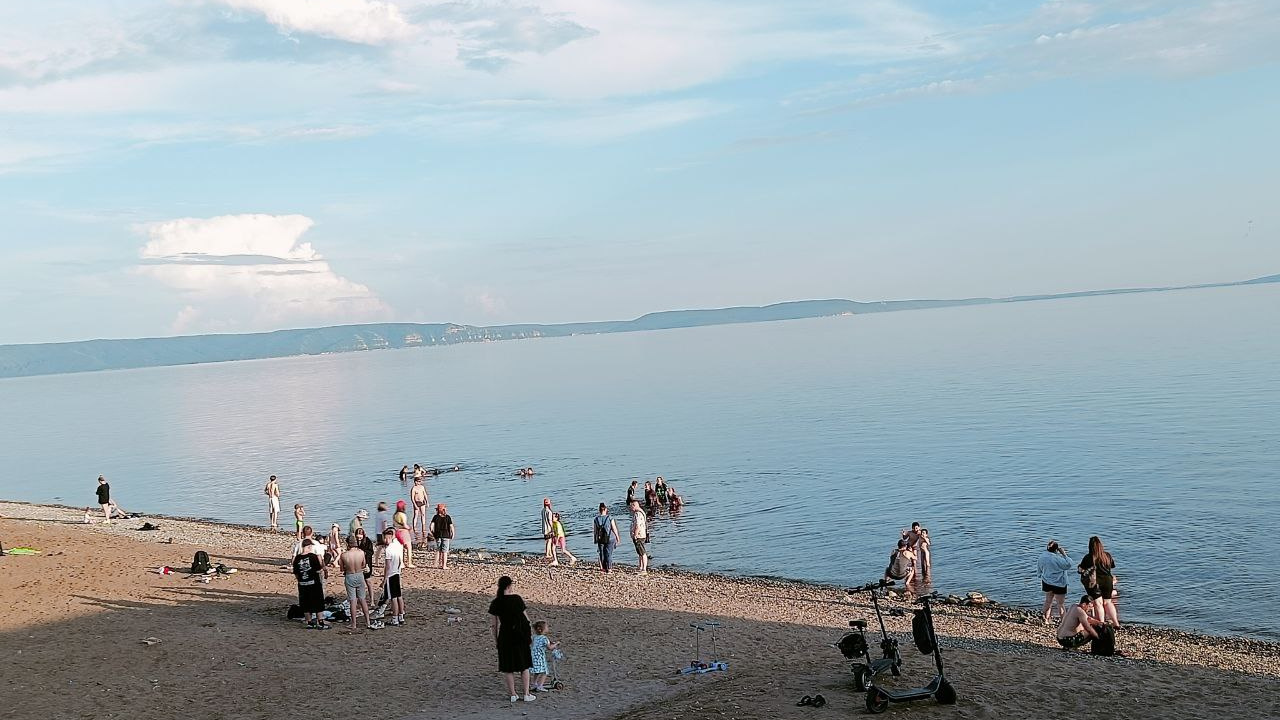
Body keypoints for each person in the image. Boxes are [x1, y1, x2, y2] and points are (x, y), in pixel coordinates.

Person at [488, 576, 535, 703]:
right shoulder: (517, 599)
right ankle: (526, 694)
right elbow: (527, 619)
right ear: (509, 586)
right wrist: (529, 635)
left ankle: (513, 694)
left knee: (508, 667)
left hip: (505, 636)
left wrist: (496, 640)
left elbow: (494, 625)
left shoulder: (496, 602)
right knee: (524, 665)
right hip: (519, 636)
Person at [1079, 536, 1120, 627]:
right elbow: (1112, 566)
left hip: (1095, 582)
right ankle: (1116, 623)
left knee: (1098, 603)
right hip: (1108, 581)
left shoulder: (1089, 557)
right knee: (1108, 602)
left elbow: (1081, 569)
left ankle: (1101, 623)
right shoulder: (1107, 555)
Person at [340, 535, 378, 631]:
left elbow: (341, 569)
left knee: (353, 600)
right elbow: (363, 565)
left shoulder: (344, 555)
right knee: (362, 599)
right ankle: (368, 622)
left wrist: (347, 567)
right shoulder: (361, 552)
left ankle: (354, 624)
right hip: (359, 575)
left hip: (350, 575)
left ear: (348, 544)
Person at [293, 539, 328, 629]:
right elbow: (318, 569)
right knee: (318, 601)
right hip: (314, 582)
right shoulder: (313, 557)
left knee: (305, 603)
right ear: (309, 546)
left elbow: (296, 572)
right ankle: (320, 622)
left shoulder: (297, 558)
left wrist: (300, 580)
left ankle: (309, 622)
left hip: (302, 583)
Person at [1038, 540, 1075, 624]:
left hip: (1047, 581)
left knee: (1048, 601)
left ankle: (1046, 619)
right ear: (1056, 550)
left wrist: (1040, 575)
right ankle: (1064, 622)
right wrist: (1064, 554)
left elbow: (1039, 568)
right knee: (1060, 604)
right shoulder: (1057, 559)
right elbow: (1069, 564)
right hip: (1059, 583)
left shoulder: (1042, 557)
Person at [381, 528, 406, 626]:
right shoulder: (397, 546)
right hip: (397, 573)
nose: (384, 540)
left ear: (389, 537)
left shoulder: (388, 549)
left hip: (391, 575)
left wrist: (384, 579)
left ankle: (395, 619)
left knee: (393, 598)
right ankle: (401, 615)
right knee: (399, 596)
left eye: (385, 538)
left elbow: (387, 566)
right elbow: (400, 559)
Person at [531, 621, 559, 692]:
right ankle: (540, 685)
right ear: (542, 629)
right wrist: (556, 644)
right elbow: (550, 648)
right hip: (540, 658)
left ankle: (534, 684)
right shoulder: (544, 638)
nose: (547, 628)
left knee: (537, 672)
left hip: (533, 657)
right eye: (546, 627)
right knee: (545, 672)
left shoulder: (534, 637)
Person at [593, 503, 621, 572]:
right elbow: (614, 529)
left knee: (602, 553)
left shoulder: (596, 519)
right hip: (610, 538)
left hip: (600, 538)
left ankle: (603, 568)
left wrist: (595, 539)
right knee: (608, 553)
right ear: (606, 509)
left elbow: (595, 531)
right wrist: (617, 537)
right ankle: (609, 568)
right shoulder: (610, 518)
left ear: (599, 510)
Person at [428, 503, 455, 570]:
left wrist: (433, 532)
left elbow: (431, 526)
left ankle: (436, 564)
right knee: (445, 551)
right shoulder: (448, 517)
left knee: (438, 550)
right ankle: (444, 565)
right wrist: (453, 534)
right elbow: (451, 527)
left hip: (438, 535)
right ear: (444, 509)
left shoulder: (435, 517)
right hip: (446, 535)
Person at [354, 526, 376, 602]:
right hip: (357, 564)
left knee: (368, 581)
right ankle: (359, 599)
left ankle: (372, 599)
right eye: (357, 536)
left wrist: (363, 553)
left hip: (366, 563)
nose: (359, 538)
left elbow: (371, 552)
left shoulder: (368, 541)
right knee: (358, 583)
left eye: (360, 536)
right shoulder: (354, 541)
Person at [629, 499, 649, 574]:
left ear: (634, 505)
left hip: (639, 535)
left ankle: (644, 569)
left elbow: (638, 525)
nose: (631, 508)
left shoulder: (638, 514)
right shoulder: (641, 512)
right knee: (639, 552)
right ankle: (641, 567)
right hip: (641, 534)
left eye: (631, 506)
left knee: (642, 552)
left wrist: (635, 534)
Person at [394, 500, 414, 568]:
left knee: (400, 548)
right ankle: (409, 563)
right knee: (409, 547)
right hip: (403, 532)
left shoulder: (395, 515)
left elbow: (394, 524)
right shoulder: (403, 515)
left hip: (397, 532)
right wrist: (409, 528)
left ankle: (401, 563)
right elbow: (405, 525)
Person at [411, 477, 429, 544]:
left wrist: (427, 502)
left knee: (423, 514)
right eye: (418, 481)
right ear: (415, 482)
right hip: (416, 502)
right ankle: (414, 527)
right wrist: (415, 504)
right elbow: (412, 498)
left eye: (420, 481)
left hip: (422, 502)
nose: (419, 482)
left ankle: (423, 526)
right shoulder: (413, 489)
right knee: (416, 515)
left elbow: (425, 494)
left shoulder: (422, 487)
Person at [541, 499, 556, 564]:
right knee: (549, 541)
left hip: (544, 528)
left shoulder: (543, 510)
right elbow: (550, 521)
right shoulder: (549, 511)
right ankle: (547, 553)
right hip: (548, 528)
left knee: (547, 541)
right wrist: (553, 528)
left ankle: (549, 553)